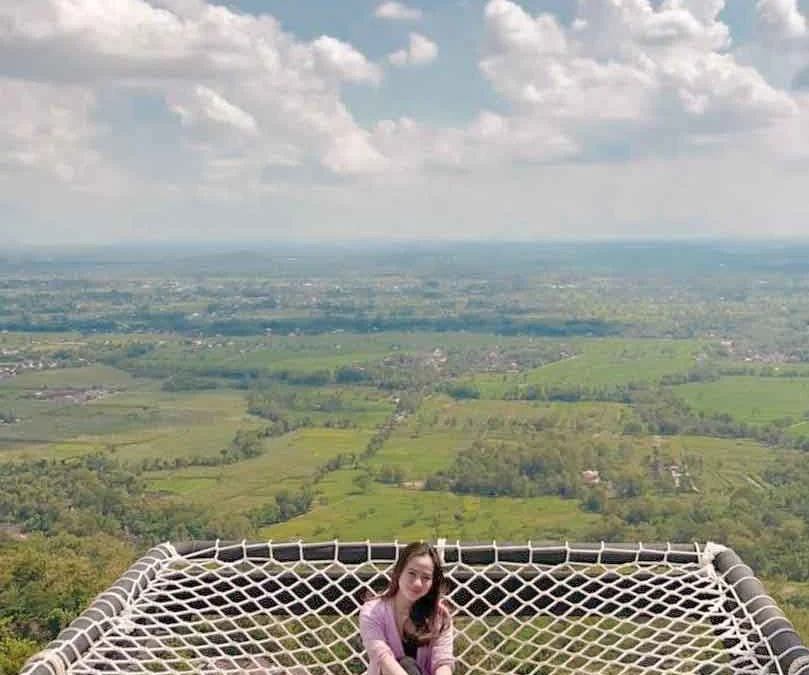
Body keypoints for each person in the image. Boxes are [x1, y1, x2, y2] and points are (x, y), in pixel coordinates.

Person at [359, 542, 455, 675]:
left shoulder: (439, 617)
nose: (417, 583)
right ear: (399, 572)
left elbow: (442, 662)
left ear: (433, 583)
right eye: (412, 573)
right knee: (405, 664)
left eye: (426, 577)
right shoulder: (372, 612)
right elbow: (382, 658)